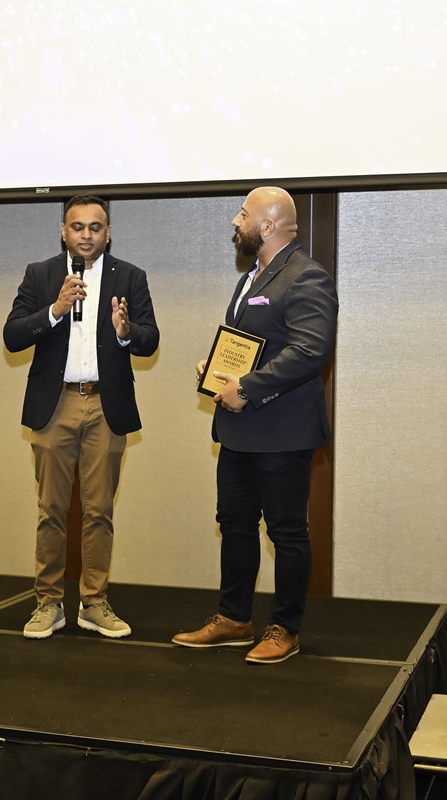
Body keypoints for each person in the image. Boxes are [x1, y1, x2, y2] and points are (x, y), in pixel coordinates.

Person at [172, 186, 339, 664]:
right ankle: (234, 619)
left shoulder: (306, 277)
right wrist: (216, 371)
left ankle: (285, 628)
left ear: (267, 226)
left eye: (242, 214)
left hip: (283, 432)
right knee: (235, 524)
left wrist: (245, 387)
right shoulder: (253, 276)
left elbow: (310, 351)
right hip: (240, 430)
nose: (234, 221)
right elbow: (251, 344)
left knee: (286, 532)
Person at [3, 195, 159, 639]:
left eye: (95, 227)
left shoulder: (130, 276)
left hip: (106, 405)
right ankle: (48, 603)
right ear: (63, 231)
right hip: (56, 404)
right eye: (77, 227)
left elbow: (150, 338)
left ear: (108, 232)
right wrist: (54, 310)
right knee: (51, 508)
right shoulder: (40, 274)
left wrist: (127, 333)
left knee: (99, 511)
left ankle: (94, 602)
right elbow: (12, 335)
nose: (86, 235)